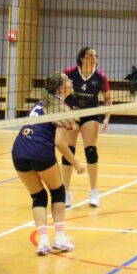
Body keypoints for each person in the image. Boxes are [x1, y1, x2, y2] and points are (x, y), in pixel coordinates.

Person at [12, 72, 84, 256]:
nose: (71, 81)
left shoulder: (40, 103)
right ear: (61, 88)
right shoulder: (61, 108)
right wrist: (76, 163)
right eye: (68, 80)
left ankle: (43, 242)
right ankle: (59, 238)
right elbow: (59, 142)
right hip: (39, 151)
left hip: (19, 150)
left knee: (38, 197)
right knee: (58, 192)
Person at [61, 46, 111, 208]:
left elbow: (107, 98)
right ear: (82, 58)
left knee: (91, 151)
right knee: (68, 152)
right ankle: (66, 192)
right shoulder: (69, 73)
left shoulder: (101, 77)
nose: (94, 58)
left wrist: (106, 117)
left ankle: (93, 191)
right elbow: (57, 92)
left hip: (91, 114)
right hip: (72, 114)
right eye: (90, 55)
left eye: (95, 55)